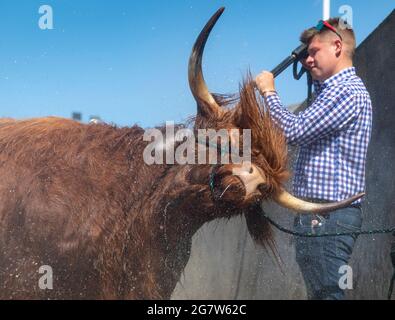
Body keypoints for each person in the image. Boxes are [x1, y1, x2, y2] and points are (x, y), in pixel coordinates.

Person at [254, 18, 372, 300]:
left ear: (337, 47)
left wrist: (269, 92)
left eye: (314, 51)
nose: (307, 60)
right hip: (320, 216)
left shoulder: (346, 92)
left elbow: (293, 131)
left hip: (327, 217)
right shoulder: (329, 94)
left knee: (327, 295)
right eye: (305, 54)